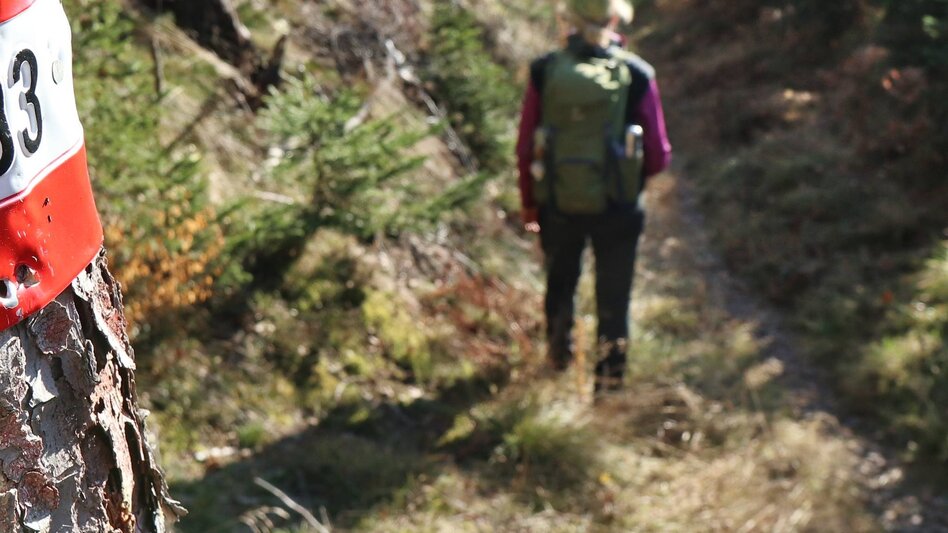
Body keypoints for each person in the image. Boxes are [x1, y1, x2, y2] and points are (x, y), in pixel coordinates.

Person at [515, 0, 671, 391]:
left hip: (558, 202)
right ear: (614, 19)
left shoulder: (545, 70)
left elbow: (525, 147)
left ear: (567, 19)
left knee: (560, 284)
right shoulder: (637, 74)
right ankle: (609, 388)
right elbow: (657, 156)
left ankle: (557, 367)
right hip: (619, 207)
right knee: (614, 299)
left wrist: (531, 203)